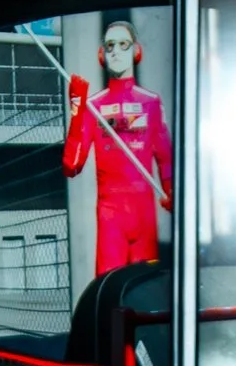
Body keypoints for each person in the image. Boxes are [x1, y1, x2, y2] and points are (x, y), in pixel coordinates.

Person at [63, 15, 174, 273]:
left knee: (143, 293)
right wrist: (77, 111)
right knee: (110, 294)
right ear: (102, 54)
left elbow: (166, 158)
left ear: (137, 51)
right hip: (110, 215)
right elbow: (72, 164)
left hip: (145, 216)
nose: (116, 52)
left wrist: (172, 190)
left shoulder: (152, 103)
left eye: (123, 44)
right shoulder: (93, 105)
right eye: (110, 46)